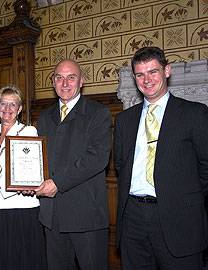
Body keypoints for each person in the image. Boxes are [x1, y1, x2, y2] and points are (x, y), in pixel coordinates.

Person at [114, 46, 208, 270]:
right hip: (133, 218)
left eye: (153, 72)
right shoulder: (125, 120)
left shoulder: (195, 114)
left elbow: (206, 167)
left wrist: (183, 197)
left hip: (179, 218)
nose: (146, 80)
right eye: (140, 74)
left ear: (167, 71)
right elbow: (121, 165)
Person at [35, 59, 112, 270]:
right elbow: (38, 159)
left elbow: (96, 158)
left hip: (85, 214)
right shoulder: (44, 117)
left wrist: (57, 182)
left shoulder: (98, 113)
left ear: (81, 82)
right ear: (53, 82)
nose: (65, 83)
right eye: (59, 77)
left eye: (71, 77)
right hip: (51, 215)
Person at [0, 85, 46, 270]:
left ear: (20, 108)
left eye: (12, 104)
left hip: (20, 206)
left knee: (18, 256)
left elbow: (28, 171)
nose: (7, 109)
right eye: (3, 104)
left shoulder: (28, 132)